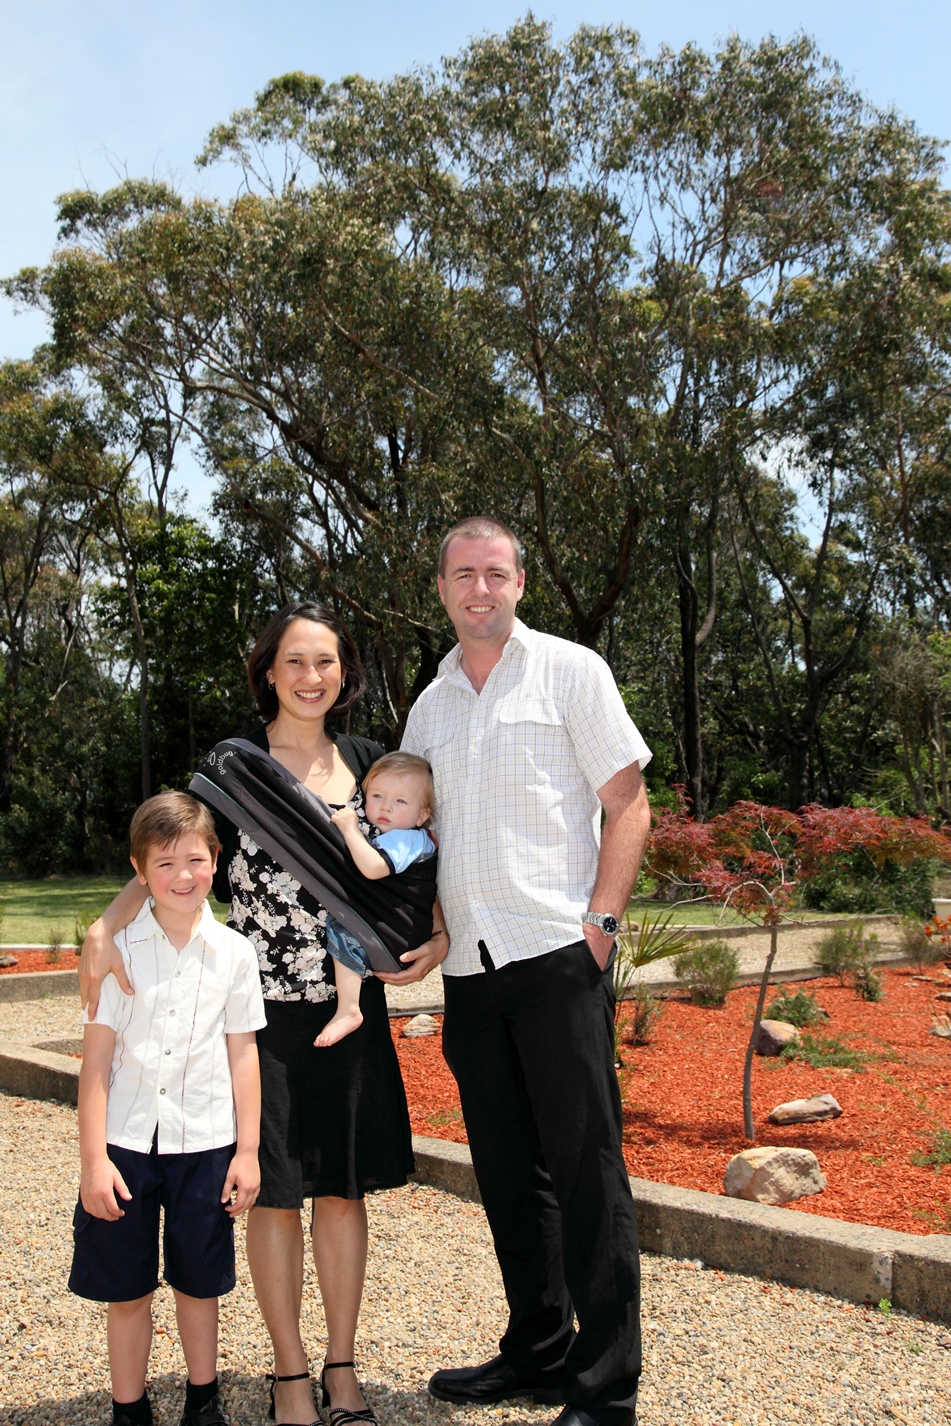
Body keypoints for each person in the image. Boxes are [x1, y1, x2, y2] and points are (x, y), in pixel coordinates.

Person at [78, 603, 449, 1426]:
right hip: (257, 1019)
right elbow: (168, 855)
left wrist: (442, 932)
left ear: (343, 672)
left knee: (343, 1194)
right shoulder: (235, 768)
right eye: (293, 662)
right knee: (275, 1196)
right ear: (267, 672)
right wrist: (103, 926)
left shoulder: (371, 762)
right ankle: (288, 1373)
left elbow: (421, 859)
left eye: (325, 662)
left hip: (349, 1006)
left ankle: (341, 1365)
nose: (311, 677)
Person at [401, 517, 652, 1426]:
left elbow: (627, 801)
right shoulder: (427, 708)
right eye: (462, 575)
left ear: (519, 583)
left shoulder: (570, 671)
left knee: (586, 1173)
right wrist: (426, 927)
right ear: (440, 588)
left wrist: (601, 922)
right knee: (509, 1177)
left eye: (495, 573)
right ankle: (539, 1354)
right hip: (470, 971)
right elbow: (419, 838)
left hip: (555, 958)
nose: (479, 589)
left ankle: (606, 1386)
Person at [70, 792, 266, 1426]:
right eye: (164, 864)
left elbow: (243, 1057)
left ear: (216, 859)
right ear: (139, 870)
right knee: (125, 1291)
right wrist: (93, 1161)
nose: (183, 876)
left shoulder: (235, 954)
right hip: (126, 1146)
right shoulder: (118, 950)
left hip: (205, 1144)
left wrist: (247, 1152)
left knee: (198, 1283)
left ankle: (202, 1400)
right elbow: (96, 1065)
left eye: (195, 859)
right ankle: (130, 1408)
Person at [321, 752, 436, 1046]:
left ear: (422, 815)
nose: (386, 806)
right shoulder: (399, 837)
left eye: (400, 801)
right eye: (378, 795)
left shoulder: (406, 838)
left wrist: (349, 829)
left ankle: (349, 1009)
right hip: (405, 927)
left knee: (343, 926)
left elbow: (373, 868)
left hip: (402, 929)